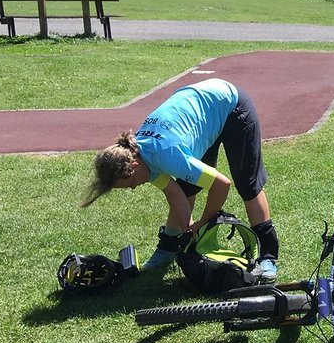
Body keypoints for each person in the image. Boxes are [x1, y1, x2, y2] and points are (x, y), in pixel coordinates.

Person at [81, 78, 280, 280]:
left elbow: (221, 185)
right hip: (203, 112)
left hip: (231, 106)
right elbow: (174, 192)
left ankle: (268, 256)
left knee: (248, 184)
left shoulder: (167, 155)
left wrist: (202, 223)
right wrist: (188, 230)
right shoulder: (138, 154)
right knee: (187, 187)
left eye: (130, 184)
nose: (134, 188)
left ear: (133, 167)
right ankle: (168, 247)